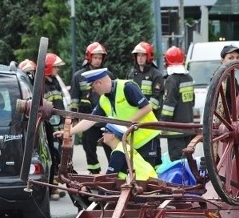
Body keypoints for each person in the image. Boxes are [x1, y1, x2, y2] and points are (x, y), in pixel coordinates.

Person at [60, 68, 161, 167]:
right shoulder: (103, 100)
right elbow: (91, 119)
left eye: (93, 87)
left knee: (147, 175)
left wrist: (128, 123)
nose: (93, 91)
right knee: (133, 175)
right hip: (131, 141)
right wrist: (68, 132)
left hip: (147, 139)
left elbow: (147, 107)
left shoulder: (127, 87)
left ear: (99, 83)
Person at [69, 42, 113, 174]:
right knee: (89, 147)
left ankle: (114, 173)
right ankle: (94, 172)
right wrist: (74, 119)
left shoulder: (108, 75)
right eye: (95, 57)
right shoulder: (78, 76)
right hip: (87, 119)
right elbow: (74, 100)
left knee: (110, 147)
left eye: (100, 58)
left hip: (106, 120)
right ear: (89, 57)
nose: (98, 60)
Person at [161, 46, 194, 161]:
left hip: (175, 130)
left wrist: (164, 123)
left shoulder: (172, 80)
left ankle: (180, 179)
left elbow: (169, 105)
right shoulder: (188, 78)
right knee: (187, 159)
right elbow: (192, 101)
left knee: (177, 160)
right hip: (188, 126)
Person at [43, 53, 67, 201]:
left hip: (59, 124)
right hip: (49, 127)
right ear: (48, 68)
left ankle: (55, 186)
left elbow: (60, 103)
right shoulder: (41, 85)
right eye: (55, 67)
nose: (57, 69)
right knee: (52, 155)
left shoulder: (55, 82)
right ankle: (52, 188)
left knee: (59, 156)